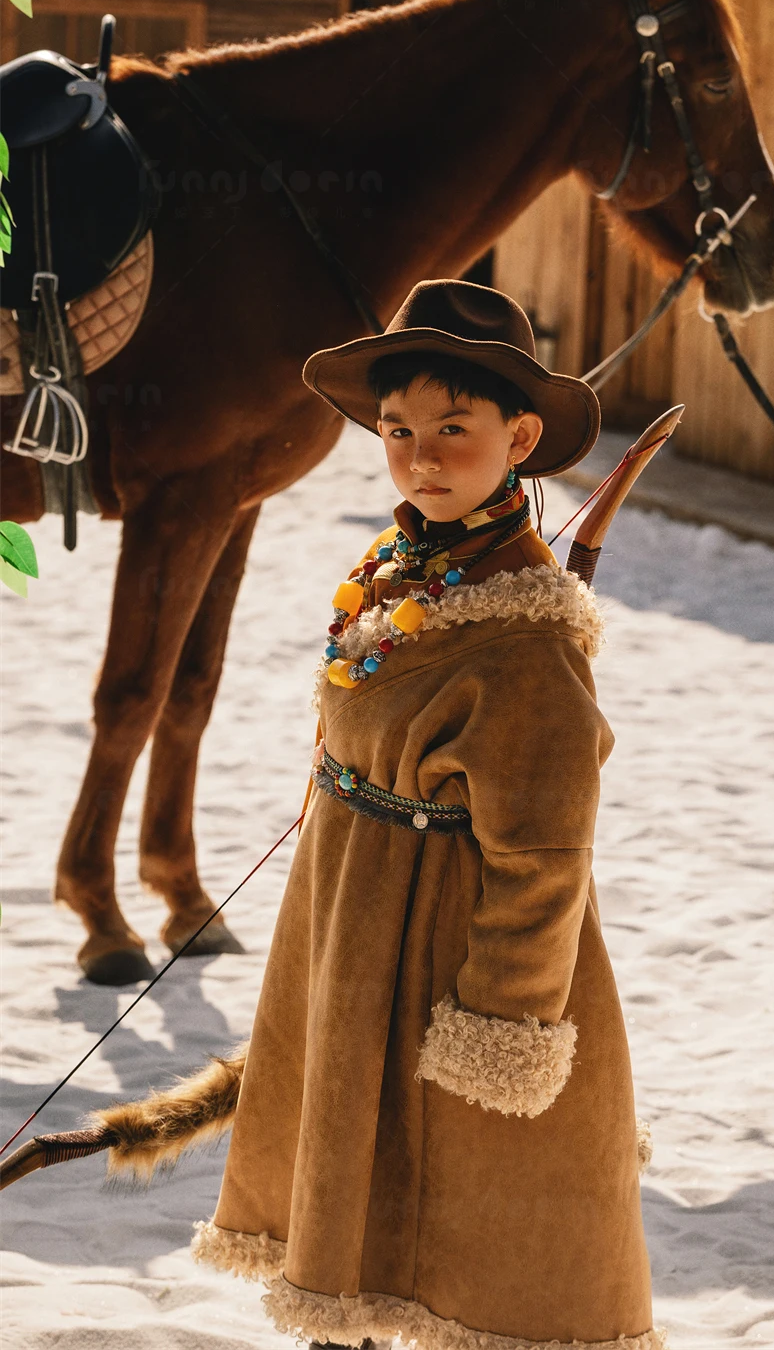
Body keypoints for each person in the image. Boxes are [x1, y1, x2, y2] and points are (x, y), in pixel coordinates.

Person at [98, 279, 662, 1350]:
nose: (423, 457)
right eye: (399, 432)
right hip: (354, 920)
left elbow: (543, 857)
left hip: (446, 947)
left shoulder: (527, 639)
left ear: (521, 436)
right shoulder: (401, 569)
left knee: (452, 1201)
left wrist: (500, 1022)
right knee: (358, 1168)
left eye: (455, 429)